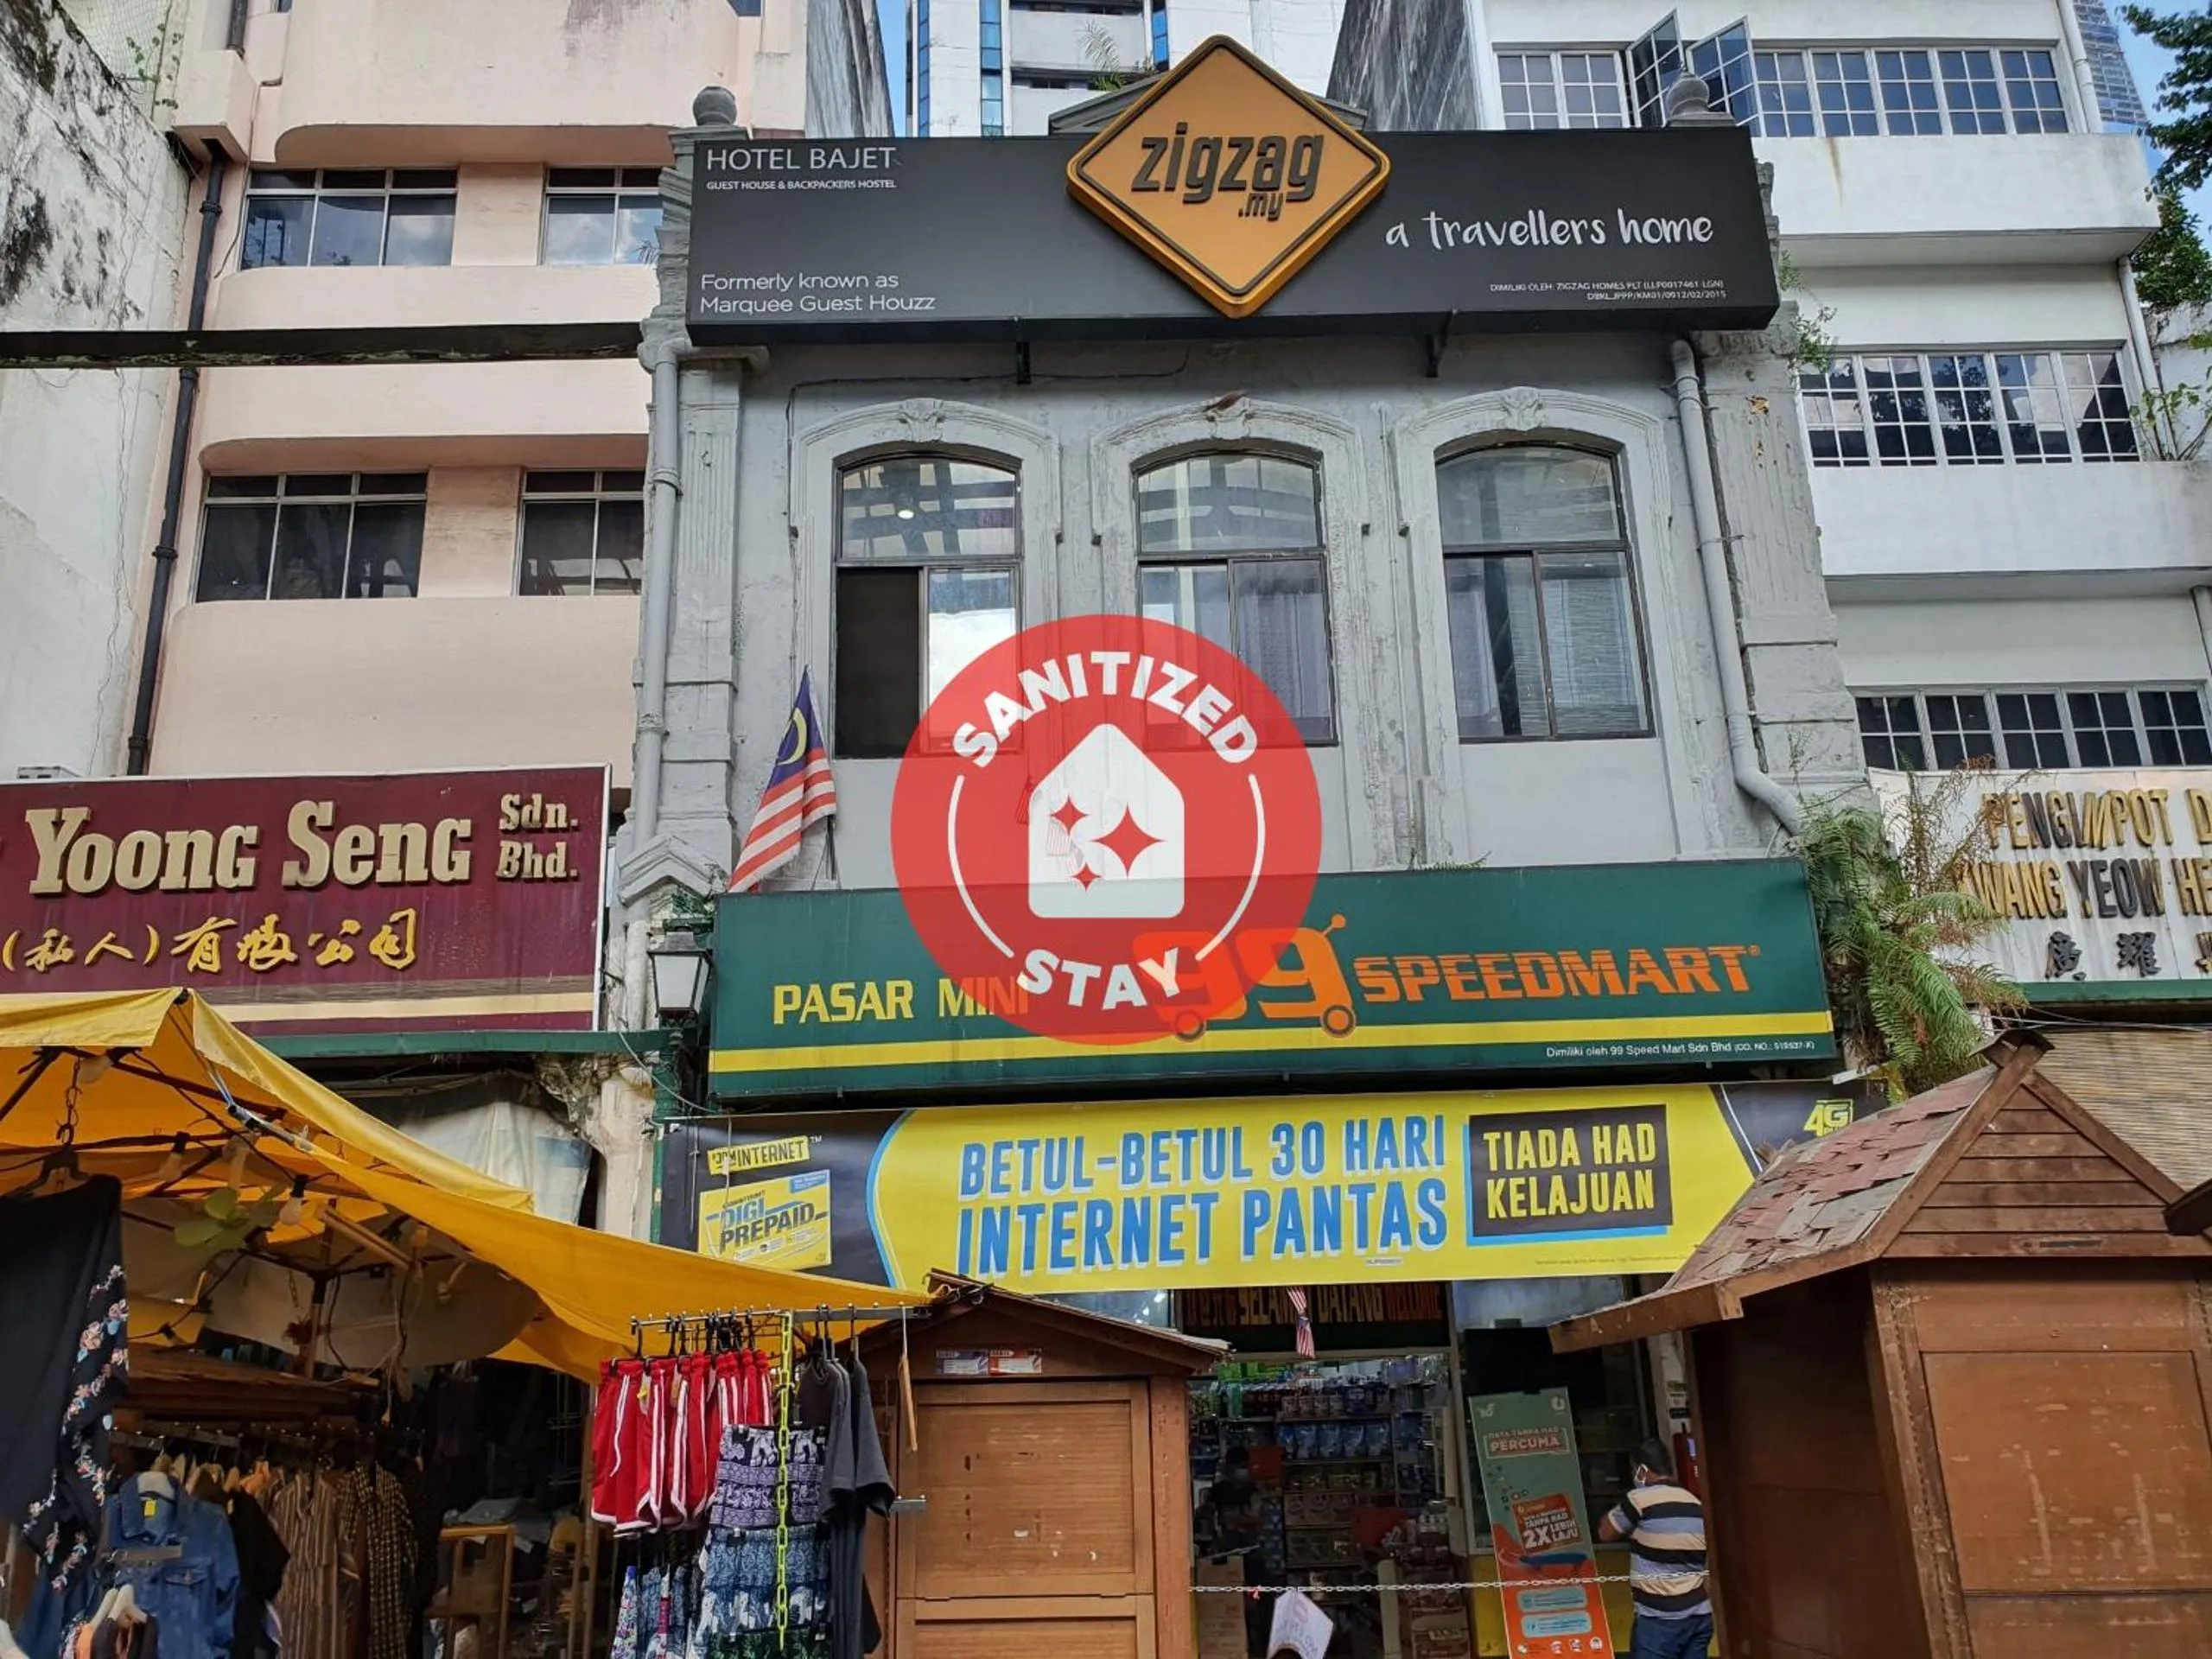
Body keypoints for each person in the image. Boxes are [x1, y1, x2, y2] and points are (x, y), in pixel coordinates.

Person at [1597, 1439, 1710, 1659]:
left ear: (1642, 1470)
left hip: (1659, 1621)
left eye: (1633, 1470)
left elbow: (1605, 1533)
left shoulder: (1640, 1500)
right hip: (1700, 1616)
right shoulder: (1694, 1503)